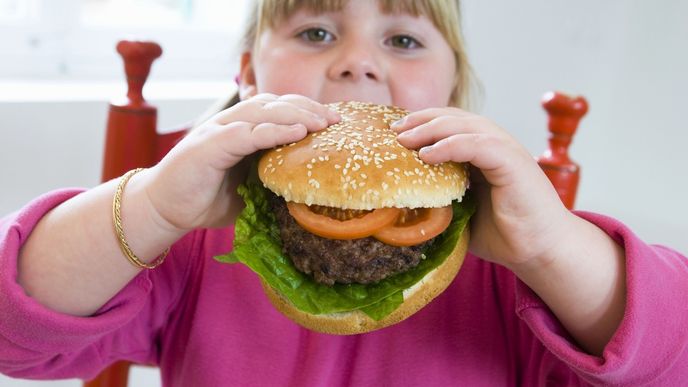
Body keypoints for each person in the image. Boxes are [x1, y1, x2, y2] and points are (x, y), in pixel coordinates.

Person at [1, 0, 686, 385]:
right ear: (247, 75)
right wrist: (151, 207)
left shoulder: (511, 264)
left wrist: (555, 248)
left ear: (452, 89)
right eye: (317, 31)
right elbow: (15, 335)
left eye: (404, 39)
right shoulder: (195, 240)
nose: (358, 60)